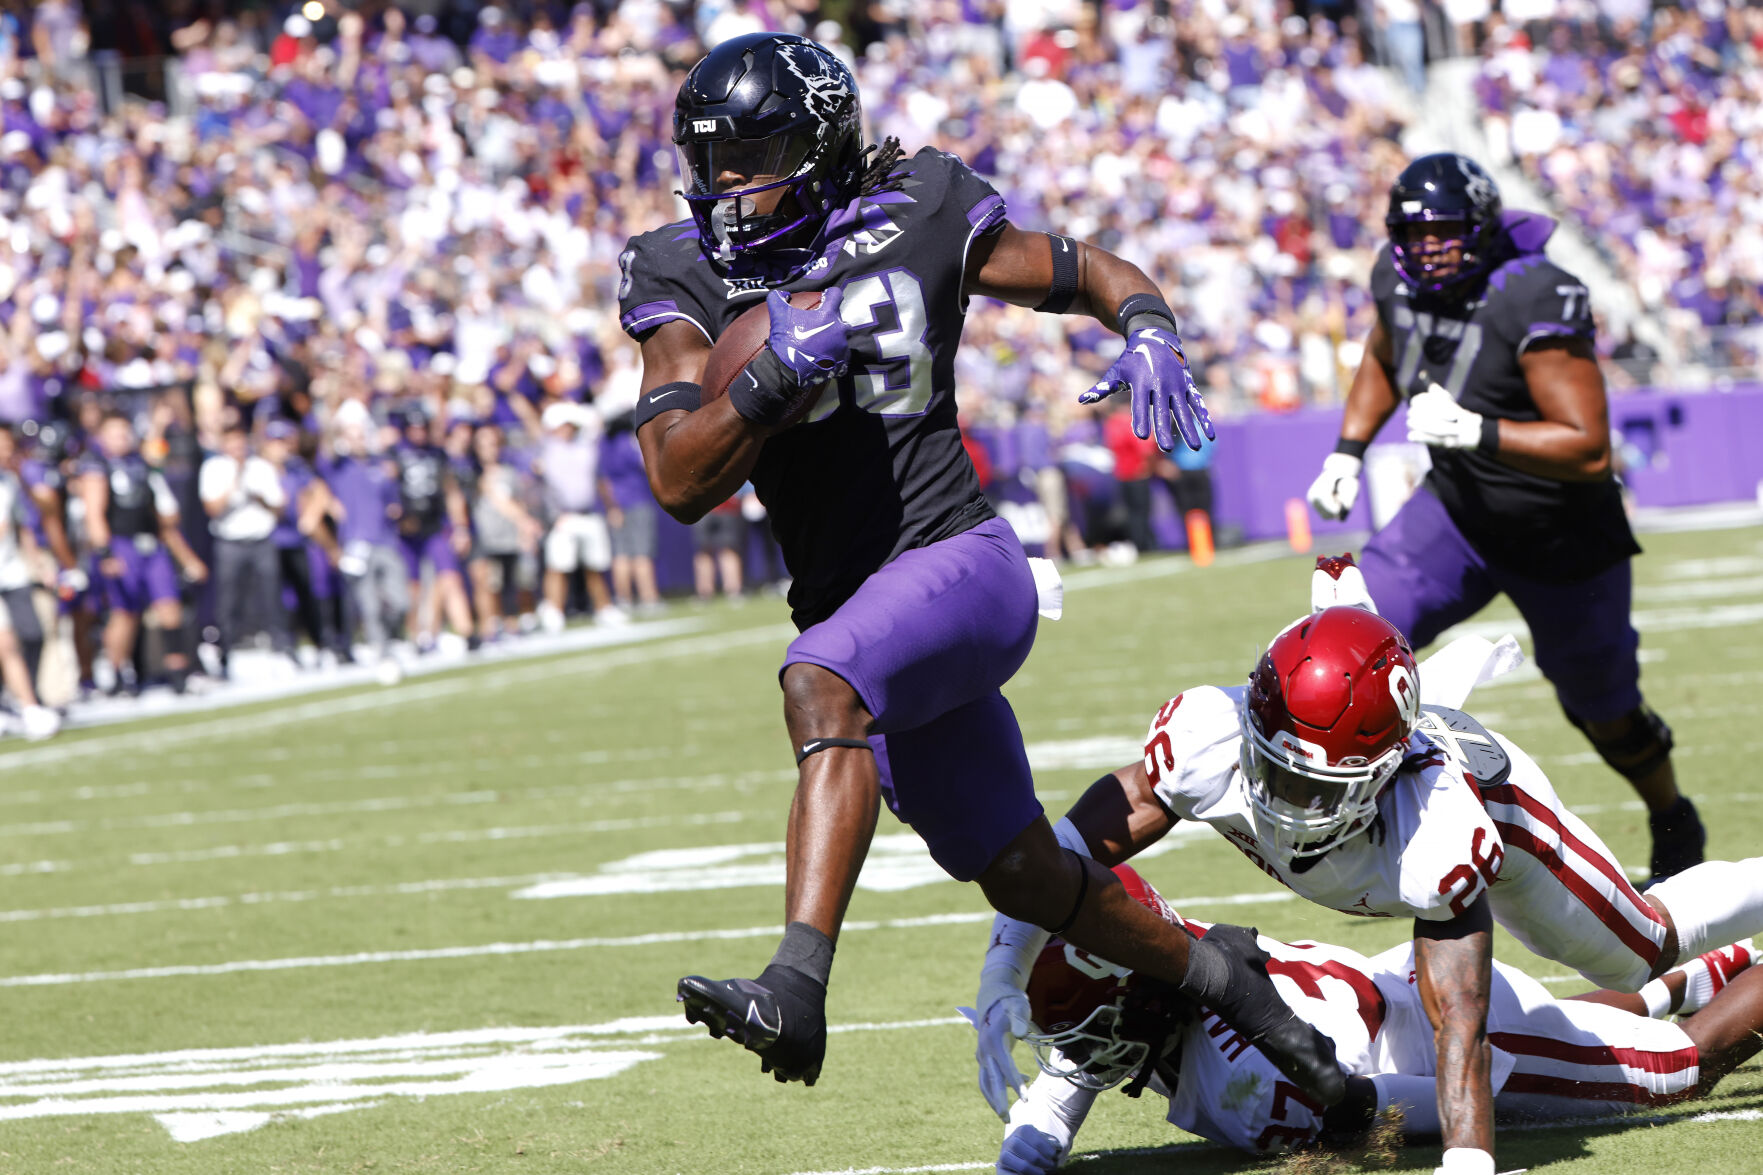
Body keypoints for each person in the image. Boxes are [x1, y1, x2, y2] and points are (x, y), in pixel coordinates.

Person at [617, 31, 1341, 1104]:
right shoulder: (681, 269)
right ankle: (1230, 981)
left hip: (960, 561)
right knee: (1028, 875)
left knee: (820, 679)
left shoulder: (921, 205)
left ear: (816, 146)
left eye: (750, 156)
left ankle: (797, 984)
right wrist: (767, 378)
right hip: (860, 606)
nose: (725, 185)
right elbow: (677, 478)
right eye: (711, 159)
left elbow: (1086, 268)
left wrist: (1144, 326)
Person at [971, 573, 1763, 1174]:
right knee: (1579, 1008)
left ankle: (1692, 962)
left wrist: (1467, 1162)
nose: (1284, 800)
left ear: (1375, 773)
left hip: (1495, 810)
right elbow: (1057, 856)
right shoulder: (1207, 744)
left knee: (1640, 946)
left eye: (1315, 786)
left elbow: (1461, 1024)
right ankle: (1686, 985)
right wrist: (1003, 966)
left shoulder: (1432, 832)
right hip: (1380, 1005)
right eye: (1274, 769)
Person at [1303, 153, 1702, 882]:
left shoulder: (1531, 291)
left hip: (1562, 535)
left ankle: (1671, 813)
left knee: (1604, 708)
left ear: (1483, 229)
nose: (1429, 249)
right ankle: (1331, 825)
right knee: (1342, 641)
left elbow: (1585, 446)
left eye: (1447, 232)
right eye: (1414, 234)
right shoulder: (1393, 278)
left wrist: (1476, 430)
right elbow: (1384, 357)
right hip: (1457, 514)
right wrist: (1346, 452)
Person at [994, 864, 1762, 1173]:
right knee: (1564, 1027)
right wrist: (1036, 1133)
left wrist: (1353, 1131)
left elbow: (1442, 1098)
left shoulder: (1250, 1087)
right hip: (1399, 988)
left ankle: (1698, 992)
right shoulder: (1171, 951)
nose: (1075, 1055)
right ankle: (1687, 979)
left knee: (1678, 1066)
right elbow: (1078, 1061)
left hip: (1439, 1046)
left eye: (1088, 1031)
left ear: (1142, 998)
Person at [76, 412, 206, 695]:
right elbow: (94, 514)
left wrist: (185, 556)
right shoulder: (97, 466)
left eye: (125, 433)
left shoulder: (141, 463)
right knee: (125, 612)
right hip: (121, 544)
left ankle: (178, 671)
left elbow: (160, 513)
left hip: (150, 543)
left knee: (169, 606)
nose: (121, 439)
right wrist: (106, 551)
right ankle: (118, 673)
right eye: (115, 434)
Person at [199, 420, 286, 664]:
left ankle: (281, 647)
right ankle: (226, 651)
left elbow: (278, 506)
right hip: (230, 542)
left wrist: (258, 497)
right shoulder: (214, 468)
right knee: (228, 599)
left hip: (261, 539)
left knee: (270, 595)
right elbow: (212, 508)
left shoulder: (261, 467)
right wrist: (234, 482)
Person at [536, 401, 620, 631]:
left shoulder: (585, 448)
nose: (568, 429)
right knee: (558, 566)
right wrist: (552, 516)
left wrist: (611, 507)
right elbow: (539, 489)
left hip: (588, 513)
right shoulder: (545, 450)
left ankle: (604, 608)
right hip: (561, 517)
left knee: (595, 564)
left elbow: (599, 480)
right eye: (563, 425)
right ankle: (554, 611)